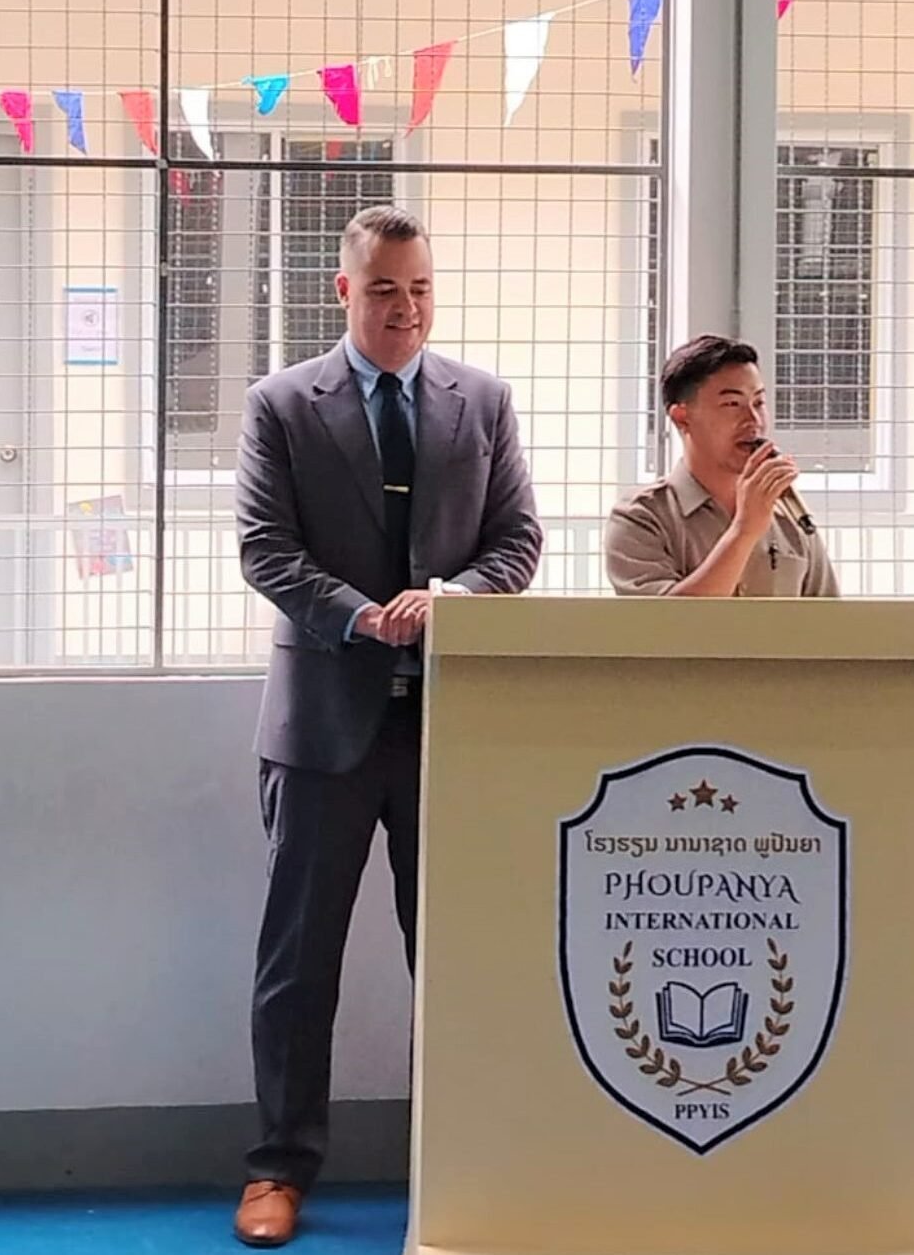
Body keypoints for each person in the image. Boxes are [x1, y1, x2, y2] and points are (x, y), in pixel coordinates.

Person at [233, 205, 542, 1247]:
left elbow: (518, 540)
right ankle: (278, 1169)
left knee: (452, 961)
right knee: (297, 963)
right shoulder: (282, 404)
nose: (405, 309)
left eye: (419, 290)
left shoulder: (482, 401)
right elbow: (264, 548)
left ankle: (452, 1164)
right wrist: (362, 616)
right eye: (382, 291)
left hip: (450, 731)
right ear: (343, 291)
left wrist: (452, 598)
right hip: (321, 728)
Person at [604, 334, 839, 598]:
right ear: (682, 417)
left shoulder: (792, 516)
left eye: (759, 403)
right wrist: (744, 530)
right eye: (732, 404)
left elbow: (830, 619)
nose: (753, 420)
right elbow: (666, 620)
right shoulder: (641, 517)